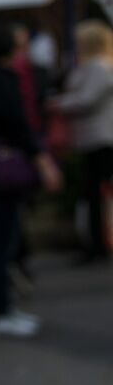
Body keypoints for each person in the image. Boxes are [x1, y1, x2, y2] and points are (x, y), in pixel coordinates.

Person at [0, 20, 62, 337]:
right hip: (3, 170)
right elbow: (15, 124)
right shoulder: (0, 80)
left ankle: (3, 306)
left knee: (4, 240)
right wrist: (40, 158)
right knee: (3, 241)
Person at [50, 20, 113, 263]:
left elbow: (87, 100)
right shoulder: (90, 66)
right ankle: (96, 241)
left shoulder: (99, 67)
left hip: (100, 137)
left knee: (97, 192)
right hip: (91, 137)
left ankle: (99, 243)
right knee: (93, 193)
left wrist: (59, 104)